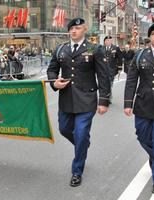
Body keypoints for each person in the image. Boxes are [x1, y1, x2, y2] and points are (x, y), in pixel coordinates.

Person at [47, 18, 111, 187]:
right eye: (71, 29)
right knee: (64, 129)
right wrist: (54, 82)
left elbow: (103, 76)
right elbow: (52, 69)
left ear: (84, 29)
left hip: (87, 99)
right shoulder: (61, 49)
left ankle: (77, 171)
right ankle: (83, 145)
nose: (74, 31)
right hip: (66, 98)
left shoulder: (94, 49)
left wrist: (103, 101)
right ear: (68, 31)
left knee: (81, 133)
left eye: (78, 28)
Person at [124, 23, 154, 195]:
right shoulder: (140, 55)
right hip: (143, 104)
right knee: (141, 135)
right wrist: (127, 103)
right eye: (153, 33)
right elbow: (132, 80)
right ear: (149, 37)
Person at [103, 35, 123, 104]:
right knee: (104, 84)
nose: (109, 42)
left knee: (109, 83)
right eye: (107, 40)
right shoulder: (101, 48)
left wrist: (120, 68)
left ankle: (108, 98)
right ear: (105, 41)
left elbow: (120, 58)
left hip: (112, 69)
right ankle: (106, 97)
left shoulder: (115, 48)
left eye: (110, 40)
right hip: (103, 70)